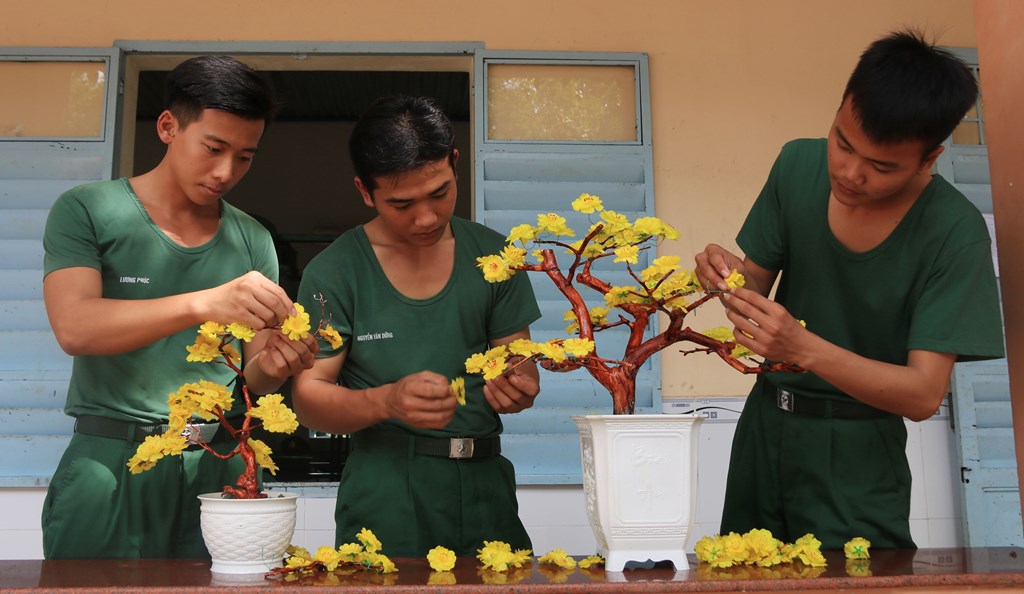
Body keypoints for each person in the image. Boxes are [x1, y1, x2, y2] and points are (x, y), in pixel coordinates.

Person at [695, 30, 1004, 549]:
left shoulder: (954, 232)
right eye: (842, 141)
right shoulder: (797, 166)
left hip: (861, 449)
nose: (849, 172)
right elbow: (752, 289)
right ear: (840, 109)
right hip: (765, 425)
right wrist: (725, 280)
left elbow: (923, 394)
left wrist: (801, 348)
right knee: (739, 574)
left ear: (929, 159)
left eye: (882, 167)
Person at [41, 55, 319, 559]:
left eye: (244, 157)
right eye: (213, 148)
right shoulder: (87, 209)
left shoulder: (253, 239)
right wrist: (204, 302)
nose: (225, 171)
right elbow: (75, 327)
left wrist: (277, 364)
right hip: (110, 463)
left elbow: (251, 382)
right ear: (168, 126)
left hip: (216, 462)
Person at [291, 95, 541, 557]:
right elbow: (309, 399)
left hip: (485, 480)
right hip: (385, 485)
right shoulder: (337, 271)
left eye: (440, 192)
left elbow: (518, 368)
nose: (425, 218)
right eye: (401, 203)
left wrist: (518, 387)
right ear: (365, 192)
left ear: (455, 163)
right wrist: (387, 400)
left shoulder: (494, 257)